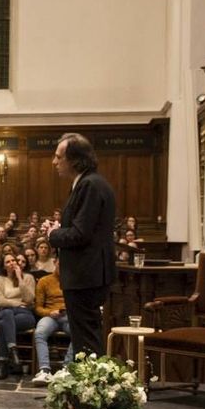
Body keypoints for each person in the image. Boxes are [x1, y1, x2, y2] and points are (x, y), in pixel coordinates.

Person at [46, 132, 117, 356]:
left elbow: (80, 234)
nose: (54, 162)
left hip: (85, 275)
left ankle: (90, 388)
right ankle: (88, 387)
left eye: (59, 157)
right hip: (86, 273)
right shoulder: (88, 183)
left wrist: (53, 234)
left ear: (75, 160)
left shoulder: (89, 185)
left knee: (86, 341)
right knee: (84, 339)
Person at [0, 253, 37, 379]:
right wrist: (17, 303)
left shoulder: (28, 278)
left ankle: (4, 364)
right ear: (4, 266)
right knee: (6, 314)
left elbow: (29, 299)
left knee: (3, 325)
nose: (12, 263)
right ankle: (13, 351)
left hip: (24, 315)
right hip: (2, 313)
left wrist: (19, 278)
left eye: (14, 260)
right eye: (8, 262)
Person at [31, 257, 73, 385]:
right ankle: (44, 370)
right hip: (51, 315)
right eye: (60, 264)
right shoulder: (44, 281)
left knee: (78, 332)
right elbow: (38, 307)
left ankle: (66, 368)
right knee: (40, 332)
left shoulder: (73, 281)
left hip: (68, 315)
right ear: (55, 263)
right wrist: (49, 312)